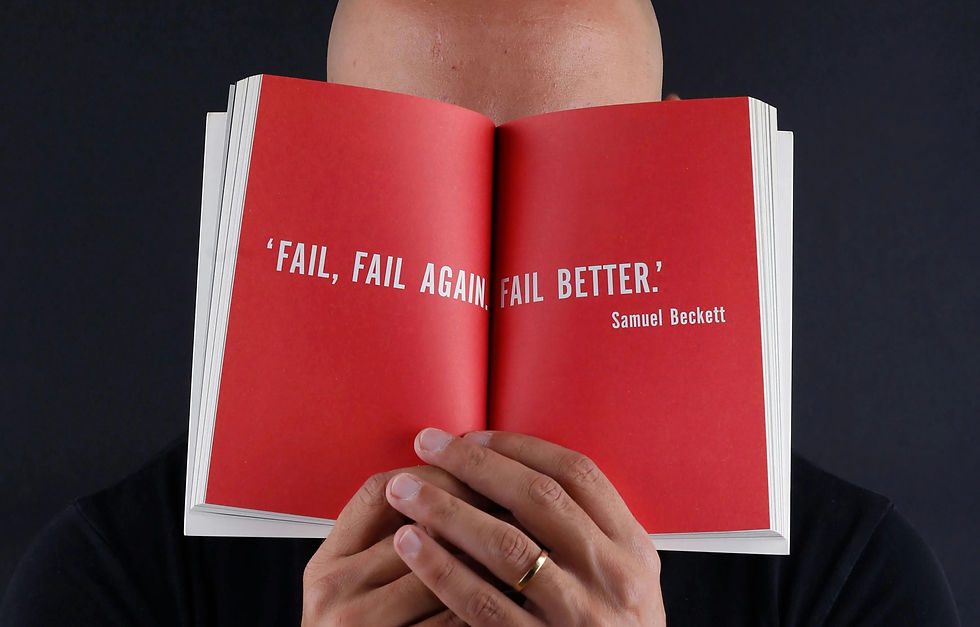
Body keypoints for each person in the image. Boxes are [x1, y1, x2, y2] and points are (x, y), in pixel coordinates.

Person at [0, 0, 960, 625]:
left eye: (575, 164)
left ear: (677, 149)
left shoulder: (856, 582)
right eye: (416, 163)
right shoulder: (107, 580)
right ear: (321, 157)